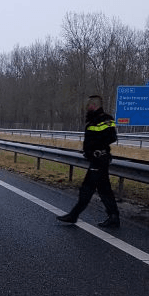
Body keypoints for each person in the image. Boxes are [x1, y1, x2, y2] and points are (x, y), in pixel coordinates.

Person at [57, 95, 120, 228]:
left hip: (99, 159)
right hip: (97, 160)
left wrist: (96, 148)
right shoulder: (93, 120)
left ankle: (74, 215)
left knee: (87, 189)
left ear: (94, 105)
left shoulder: (105, 119)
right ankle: (114, 216)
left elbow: (111, 137)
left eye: (88, 105)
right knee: (104, 190)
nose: (87, 107)